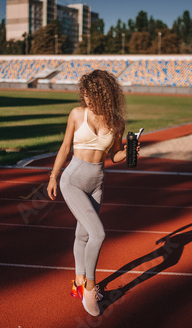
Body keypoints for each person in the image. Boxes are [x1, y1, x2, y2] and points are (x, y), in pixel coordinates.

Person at [47, 69, 138, 317]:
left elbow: (116, 156)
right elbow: (65, 147)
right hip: (73, 180)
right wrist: (53, 176)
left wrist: (132, 148)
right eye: (84, 94)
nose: (86, 99)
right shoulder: (77, 114)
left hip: (97, 182)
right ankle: (89, 287)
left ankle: (78, 281)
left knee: (84, 234)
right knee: (98, 233)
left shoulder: (117, 122)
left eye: (91, 94)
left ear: (104, 94)